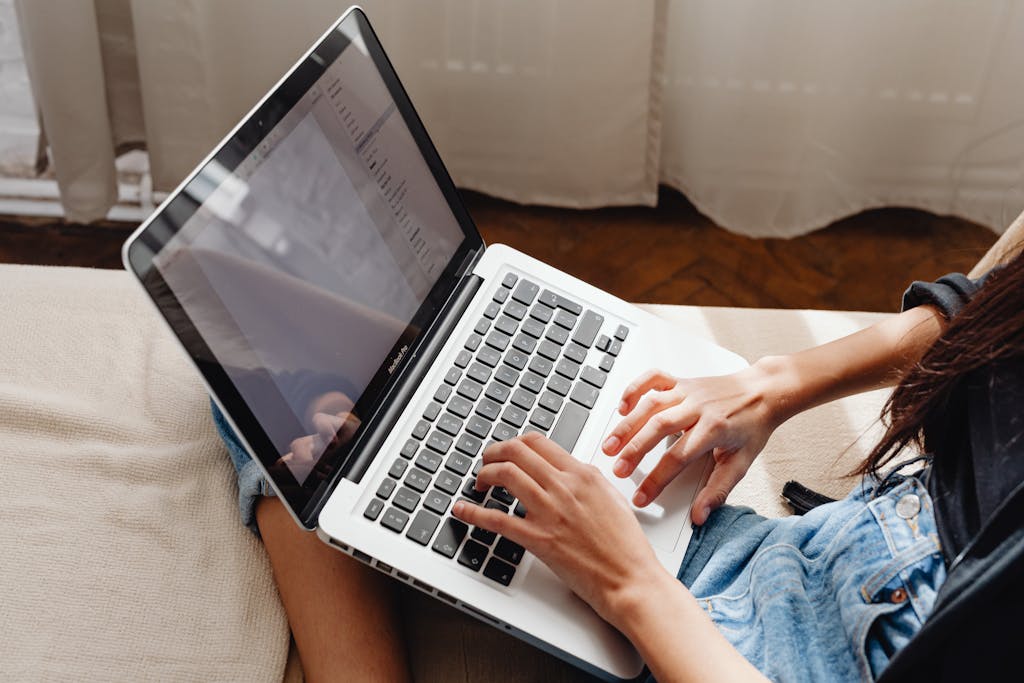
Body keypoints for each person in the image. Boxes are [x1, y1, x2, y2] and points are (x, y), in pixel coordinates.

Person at [215, 245, 1023, 681]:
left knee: (279, 410)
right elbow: (991, 311)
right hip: (814, 553)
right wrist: (771, 384)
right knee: (279, 347)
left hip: (741, 651)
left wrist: (630, 583)